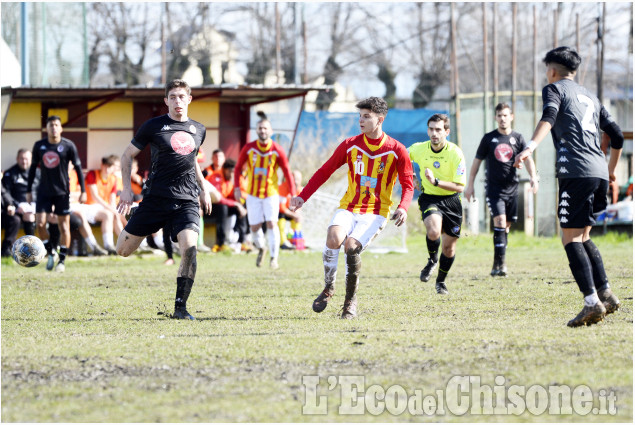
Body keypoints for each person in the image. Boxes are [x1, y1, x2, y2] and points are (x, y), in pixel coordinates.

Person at [514, 46, 624, 328]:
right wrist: (610, 171)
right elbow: (617, 136)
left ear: (552, 70)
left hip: (575, 171)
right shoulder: (590, 95)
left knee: (570, 239)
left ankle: (591, 304)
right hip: (597, 171)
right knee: (583, 236)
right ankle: (606, 295)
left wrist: (529, 147)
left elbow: (549, 118)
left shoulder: (554, 89)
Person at [290, 97, 414, 319]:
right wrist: (302, 197)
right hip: (349, 206)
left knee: (351, 246)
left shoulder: (397, 150)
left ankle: (350, 302)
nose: (361, 120)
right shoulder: (350, 145)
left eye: (366, 116)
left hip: (377, 212)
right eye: (360, 116)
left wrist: (403, 207)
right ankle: (328, 288)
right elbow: (324, 171)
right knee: (333, 237)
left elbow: (408, 184)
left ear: (380, 119)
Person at [116, 79, 212, 320]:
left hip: (187, 200)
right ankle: (138, 215)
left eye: (182, 96)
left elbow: (192, 162)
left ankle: (180, 308)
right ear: (166, 101)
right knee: (123, 251)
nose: (177, 101)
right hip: (156, 198)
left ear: (189, 99)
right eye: (173, 97)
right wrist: (126, 189)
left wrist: (204, 188)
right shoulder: (154, 126)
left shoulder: (199, 129)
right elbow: (127, 155)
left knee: (190, 249)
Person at [464, 103, 539, 277]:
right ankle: (500, 265)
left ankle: (498, 263)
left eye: (505, 115)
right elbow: (477, 161)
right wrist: (470, 185)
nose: (502, 118)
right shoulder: (489, 138)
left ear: (511, 117)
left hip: (512, 188)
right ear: (495, 117)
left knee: (505, 227)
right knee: (499, 222)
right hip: (494, 189)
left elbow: (527, 159)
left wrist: (534, 177)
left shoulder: (518, 138)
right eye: (499, 115)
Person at [408, 114, 466, 295]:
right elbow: (399, 156)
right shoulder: (419, 149)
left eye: (439, 130)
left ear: (446, 132)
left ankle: (440, 282)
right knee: (433, 231)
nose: (434, 133)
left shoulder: (455, 153)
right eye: (431, 129)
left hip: (452, 201)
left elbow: (459, 187)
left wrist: (436, 181)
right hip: (430, 198)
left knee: (449, 248)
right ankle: (432, 260)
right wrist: (412, 177)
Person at [233, 114, 296, 269]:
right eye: (260, 128)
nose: (262, 131)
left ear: (270, 130)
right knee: (254, 227)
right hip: (253, 194)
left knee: (271, 223)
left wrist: (293, 192)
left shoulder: (277, 149)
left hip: (271, 194)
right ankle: (262, 247)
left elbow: (287, 172)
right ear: (257, 131)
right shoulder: (249, 148)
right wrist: (237, 187)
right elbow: (238, 168)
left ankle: (274, 259)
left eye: (265, 128)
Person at [27, 115, 87, 272]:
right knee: (39, 223)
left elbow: (79, 169)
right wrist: (28, 190)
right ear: (46, 128)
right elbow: (33, 169)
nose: (53, 128)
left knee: (64, 227)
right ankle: (51, 251)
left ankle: (62, 261)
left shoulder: (68, 146)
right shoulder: (39, 146)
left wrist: (83, 191)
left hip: (62, 192)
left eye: (56, 125)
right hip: (43, 191)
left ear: (60, 128)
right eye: (50, 125)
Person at [1, 149, 38, 257]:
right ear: (17, 159)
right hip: (15, 209)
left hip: (35, 209)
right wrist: (14, 205)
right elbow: (5, 192)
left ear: (31, 160)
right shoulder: (9, 174)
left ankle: (34, 249)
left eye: (26, 159)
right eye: (21, 158)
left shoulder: (38, 173)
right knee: (15, 220)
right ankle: (6, 250)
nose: (24, 161)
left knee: (33, 216)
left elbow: (43, 191)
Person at [206, 158, 247, 252]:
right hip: (208, 208)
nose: (232, 174)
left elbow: (231, 197)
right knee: (223, 208)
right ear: (224, 169)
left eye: (233, 172)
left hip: (221, 207)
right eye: (230, 171)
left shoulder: (229, 180)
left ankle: (242, 242)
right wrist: (236, 203)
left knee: (242, 207)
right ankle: (220, 243)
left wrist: (240, 203)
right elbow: (219, 199)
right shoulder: (217, 177)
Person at [84, 155, 122, 253]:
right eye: (105, 166)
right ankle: (108, 245)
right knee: (108, 214)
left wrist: (114, 211)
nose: (107, 169)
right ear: (102, 165)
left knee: (116, 215)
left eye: (110, 167)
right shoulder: (92, 174)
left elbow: (112, 200)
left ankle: (124, 243)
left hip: (104, 207)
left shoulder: (114, 179)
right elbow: (95, 197)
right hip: (89, 206)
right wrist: (111, 210)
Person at [278, 170, 304, 250]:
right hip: (282, 212)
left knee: (298, 219)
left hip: (291, 211)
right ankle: (283, 242)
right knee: (280, 218)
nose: (296, 181)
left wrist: (297, 213)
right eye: (294, 179)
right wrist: (293, 214)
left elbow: (299, 206)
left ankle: (296, 240)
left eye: (298, 179)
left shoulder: (299, 189)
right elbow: (281, 207)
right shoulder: (282, 187)